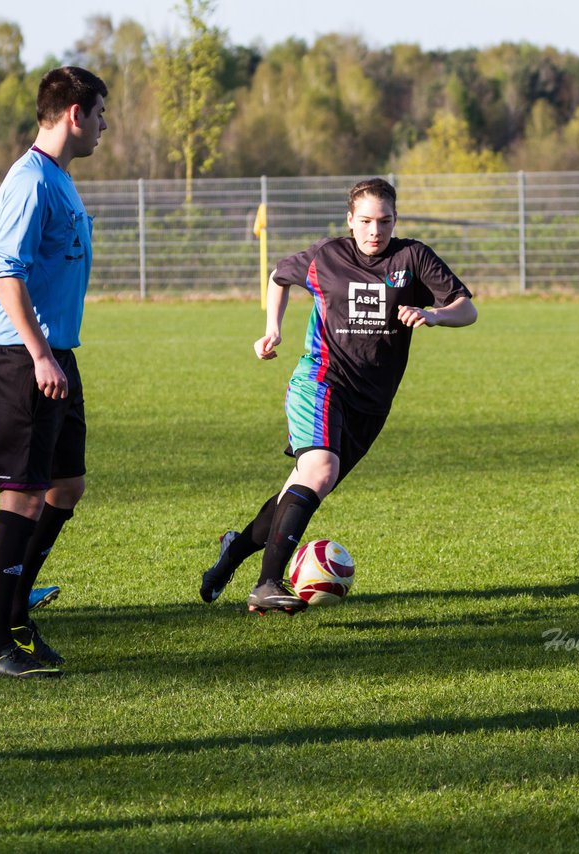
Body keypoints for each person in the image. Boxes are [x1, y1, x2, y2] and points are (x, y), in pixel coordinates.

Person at [200, 178, 478, 613]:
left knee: (303, 487)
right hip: (321, 380)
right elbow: (278, 276)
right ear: (350, 220)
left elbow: (467, 307)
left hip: (371, 405)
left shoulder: (413, 257)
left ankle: (234, 550)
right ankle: (267, 584)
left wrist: (433, 314)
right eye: (365, 221)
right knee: (320, 468)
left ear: (395, 220)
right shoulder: (328, 255)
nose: (375, 231)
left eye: (384, 221)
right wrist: (273, 328)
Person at [0, 66, 108, 678]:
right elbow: (6, 276)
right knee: (22, 498)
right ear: (75, 115)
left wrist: (55, 355)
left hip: (56, 357)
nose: (105, 127)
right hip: (20, 360)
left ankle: (19, 612)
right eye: (100, 114)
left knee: (65, 487)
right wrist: (39, 354)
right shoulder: (29, 182)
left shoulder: (60, 177)